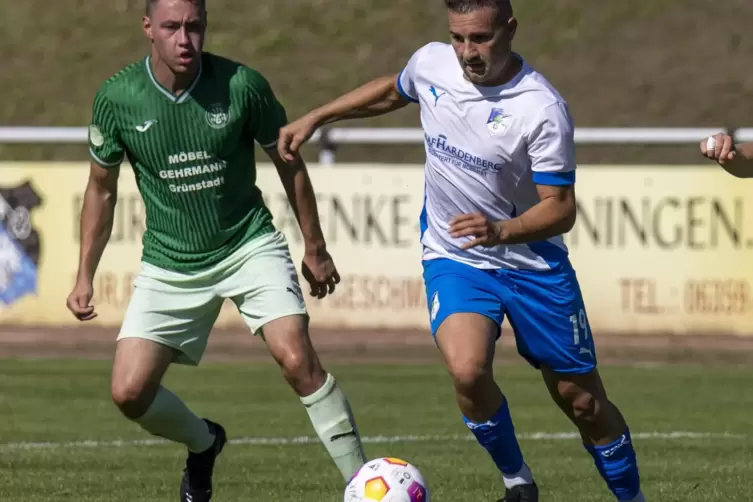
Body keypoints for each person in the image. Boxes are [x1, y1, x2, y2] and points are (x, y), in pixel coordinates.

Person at [278, 1, 645, 501]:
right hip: (457, 256)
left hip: (533, 265)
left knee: (582, 403)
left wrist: (503, 230)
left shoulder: (540, 108)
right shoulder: (433, 63)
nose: (468, 52)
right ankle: (519, 484)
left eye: (480, 38)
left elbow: (560, 209)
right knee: (468, 371)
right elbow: (394, 89)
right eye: (458, 38)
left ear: (510, 29)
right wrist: (319, 116)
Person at [65, 0, 367, 500]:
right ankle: (205, 444)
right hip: (170, 261)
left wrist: (315, 247)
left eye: (194, 26)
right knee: (129, 393)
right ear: (148, 29)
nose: (185, 39)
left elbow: (289, 162)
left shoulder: (242, 85)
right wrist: (83, 274)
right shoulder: (117, 98)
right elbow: (101, 189)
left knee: (296, 359)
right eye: (171, 27)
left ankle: (364, 486)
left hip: (249, 244)